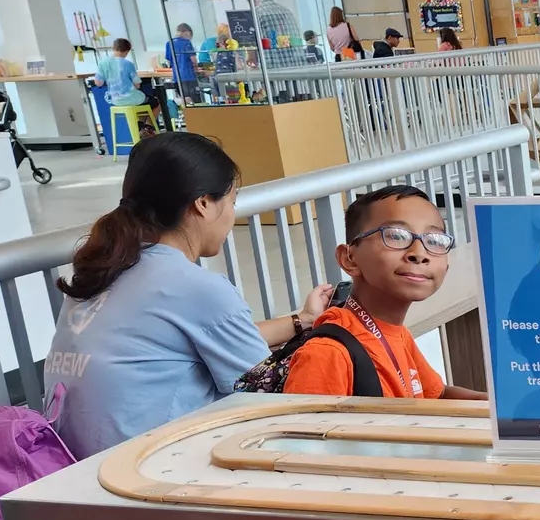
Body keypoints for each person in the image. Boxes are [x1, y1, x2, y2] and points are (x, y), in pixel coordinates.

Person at [43, 133, 334, 459]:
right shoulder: (194, 286)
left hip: (75, 468)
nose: (232, 215)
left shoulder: (102, 269)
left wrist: (304, 321)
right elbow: (265, 391)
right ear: (204, 204)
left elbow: (212, 337)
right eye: (232, 202)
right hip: (149, 473)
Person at [281, 185, 484, 400]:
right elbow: (305, 432)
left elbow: (438, 395)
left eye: (434, 240)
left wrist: (506, 406)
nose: (419, 253)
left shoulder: (396, 333)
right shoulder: (328, 353)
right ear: (349, 258)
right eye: (396, 236)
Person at [92, 37, 161, 120]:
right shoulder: (128, 64)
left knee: (141, 104)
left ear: (113, 48)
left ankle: (140, 126)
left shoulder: (102, 63)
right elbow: (137, 85)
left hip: (115, 100)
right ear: (127, 51)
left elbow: (98, 83)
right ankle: (147, 126)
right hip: (131, 98)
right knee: (155, 102)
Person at [163, 23, 199, 102]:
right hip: (189, 76)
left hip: (177, 78)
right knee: (195, 101)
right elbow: (193, 59)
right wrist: (196, 67)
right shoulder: (187, 42)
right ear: (187, 32)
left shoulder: (169, 43)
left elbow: (169, 59)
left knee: (185, 101)